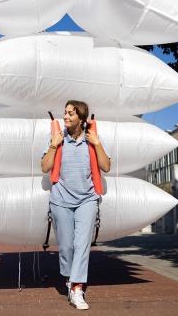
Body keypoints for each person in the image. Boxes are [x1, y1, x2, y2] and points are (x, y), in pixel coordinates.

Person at [41, 100, 110, 311]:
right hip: (61, 199)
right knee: (67, 246)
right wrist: (53, 145)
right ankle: (70, 279)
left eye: (71, 113)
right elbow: (45, 167)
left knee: (82, 245)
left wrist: (98, 144)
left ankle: (77, 288)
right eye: (65, 113)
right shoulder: (58, 139)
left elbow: (106, 166)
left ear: (81, 118)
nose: (66, 116)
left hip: (87, 199)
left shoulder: (92, 140)